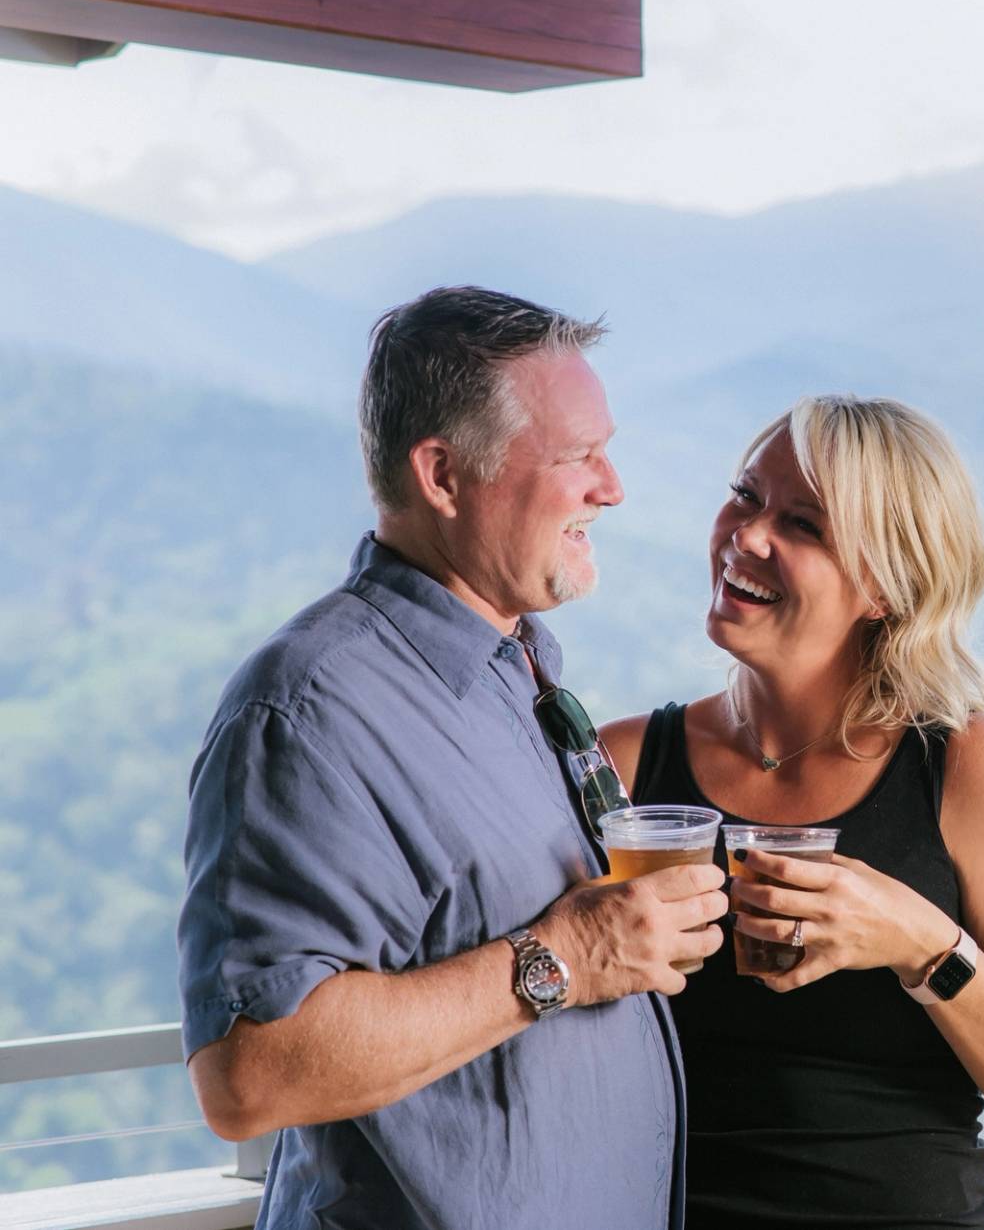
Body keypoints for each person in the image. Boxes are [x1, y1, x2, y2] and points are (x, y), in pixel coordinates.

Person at [176, 286, 727, 1230]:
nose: (613, 486)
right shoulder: (308, 710)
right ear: (442, 476)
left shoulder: (519, 664)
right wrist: (568, 955)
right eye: (576, 456)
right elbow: (250, 1076)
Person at [600, 394, 984, 1229]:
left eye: (803, 525)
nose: (748, 534)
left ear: (882, 586)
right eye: (745, 494)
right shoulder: (621, 768)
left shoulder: (962, 766)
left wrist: (921, 944)